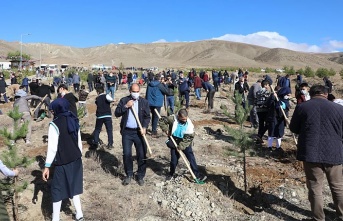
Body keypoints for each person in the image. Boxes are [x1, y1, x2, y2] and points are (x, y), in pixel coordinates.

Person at [289, 85, 343, 221]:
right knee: (337, 186)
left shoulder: (302, 107)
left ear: (311, 94)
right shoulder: (339, 109)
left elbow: (294, 128)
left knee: (315, 186)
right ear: (326, 94)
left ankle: (318, 218)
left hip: (310, 152)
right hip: (334, 152)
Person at [43, 98, 84, 221]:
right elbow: (79, 142)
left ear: (56, 110)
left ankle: (55, 218)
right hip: (76, 159)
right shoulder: (74, 119)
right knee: (74, 186)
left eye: (52, 110)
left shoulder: (54, 124)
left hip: (63, 161)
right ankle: (79, 214)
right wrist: (77, 155)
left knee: (57, 190)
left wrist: (47, 166)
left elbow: (52, 148)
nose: (52, 113)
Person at [114, 83, 151, 186]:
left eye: (137, 91)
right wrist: (126, 106)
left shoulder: (144, 102)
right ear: (130, 91)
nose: (135, 93)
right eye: (133, 91)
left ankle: (140, 176)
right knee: (127, 154)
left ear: (140, 91)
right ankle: (129, 175)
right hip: (127, 132)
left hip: (139, 133)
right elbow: (117, 113)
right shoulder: (124, 100)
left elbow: (147, 117)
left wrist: (144, 127)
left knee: (141, 154)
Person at [158, 108, 207, 182]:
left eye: (186, 119)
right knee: (174, 160)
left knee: (191, 158)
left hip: (185, 142)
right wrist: (166, 129)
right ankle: (171, 173)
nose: (185, 120)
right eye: (183, 119)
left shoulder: (189, 125)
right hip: (174, 141)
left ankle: (197, 174)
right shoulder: (173, 119)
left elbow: (188, 138)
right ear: (179, 117)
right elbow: (161, 121)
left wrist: (181, 146)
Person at [265, 86, 291, 152]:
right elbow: (267, 104)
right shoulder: (275, 98)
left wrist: (286, 118)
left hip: (281, 119)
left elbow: (287, 109)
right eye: (287, 95)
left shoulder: (286, 101)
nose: (288, 96)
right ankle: (269, 147)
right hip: (274, 118)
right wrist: (272, 97)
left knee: (279, 132)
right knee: (272, 132)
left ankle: (278, 147)